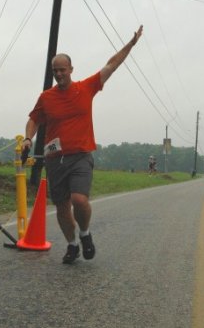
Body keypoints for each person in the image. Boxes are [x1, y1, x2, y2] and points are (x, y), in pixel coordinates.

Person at [23, 25, 143, 264]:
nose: (59, 74)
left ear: (71, 70)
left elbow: (112, 64)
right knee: (62, 206)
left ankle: (85, 234)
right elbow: (34, 119)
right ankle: (72, 244)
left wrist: (130, 45)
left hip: (80, 156)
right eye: (55, 71)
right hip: (55, 159)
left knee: (79, 200)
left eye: (62, 70)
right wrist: (28, 137)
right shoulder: (46, 97)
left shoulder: (86, 87)